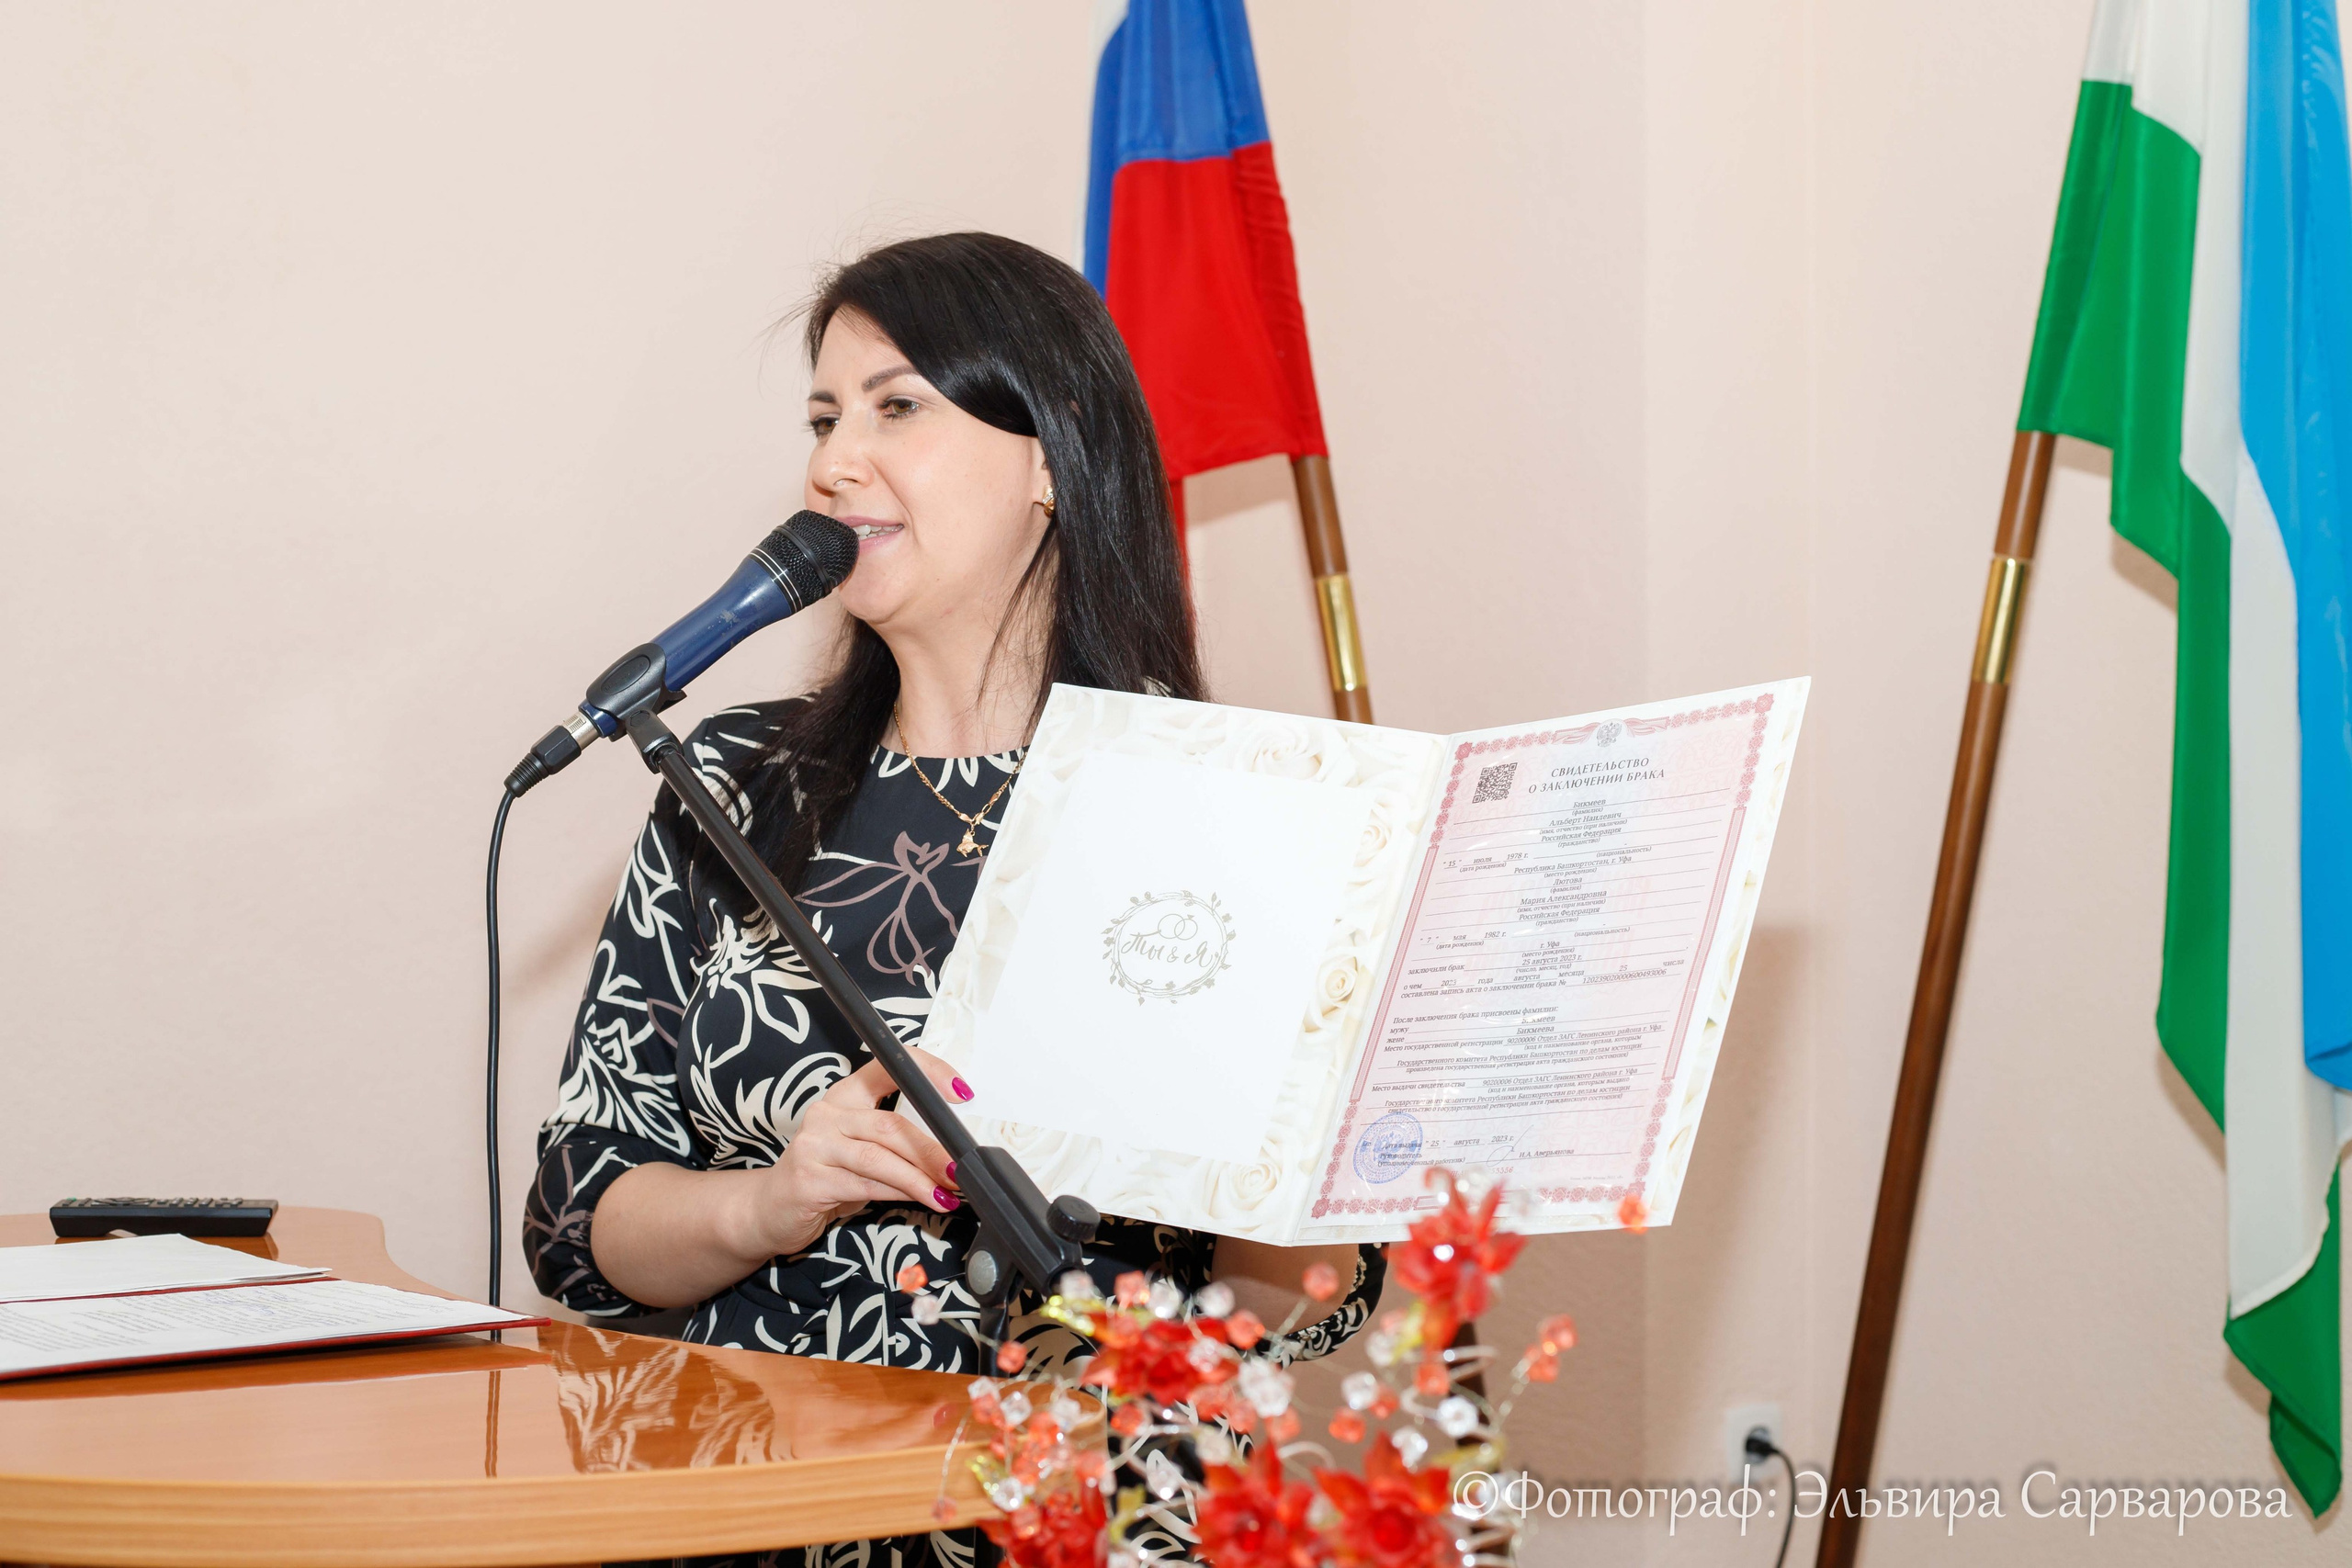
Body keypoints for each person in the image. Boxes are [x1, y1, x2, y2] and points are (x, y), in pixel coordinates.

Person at [525, 232, 1384, 1568]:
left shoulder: (1210, 797)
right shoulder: (728, 782)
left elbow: (1311, 1283)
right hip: (745, 1513)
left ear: (1051, 456)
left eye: (896, 406)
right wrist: (771, 1201)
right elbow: (576, 1219)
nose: (832, 461)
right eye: (824, 417)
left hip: (1076, 1513)